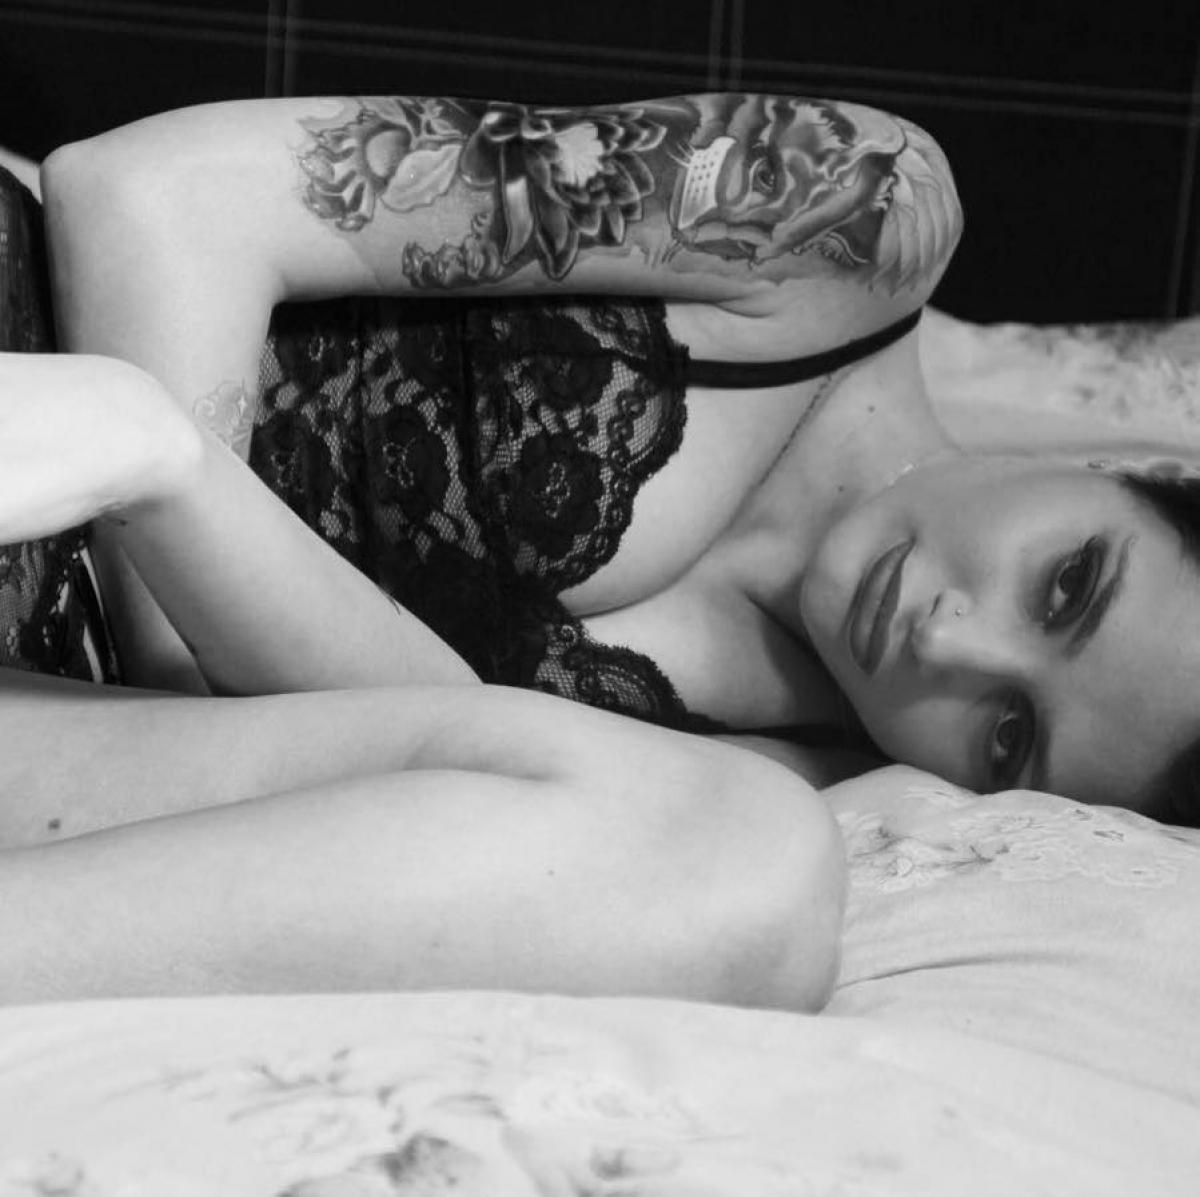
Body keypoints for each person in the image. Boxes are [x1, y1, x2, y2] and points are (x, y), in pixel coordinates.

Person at [0, 86, 1193, 1004]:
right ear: (1119, 468)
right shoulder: (851, 213)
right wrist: (177, 602)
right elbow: (157, 199)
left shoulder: (773, 793)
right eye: (1067, 586)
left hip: (50, 709)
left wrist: (180, 547)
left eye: (1006, 733)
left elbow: (371, 769)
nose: (951, 642)